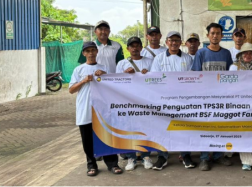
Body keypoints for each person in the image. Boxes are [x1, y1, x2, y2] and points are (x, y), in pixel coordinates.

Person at [70, 41, 122, 176]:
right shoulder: (79, 70)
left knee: (106, 137)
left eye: (93, 50)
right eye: (88, 51)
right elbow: (71, 90)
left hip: (102, 109)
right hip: (85, 108)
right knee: (87, 139)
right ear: (84, 53)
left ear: (97, 52)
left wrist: (105, 75)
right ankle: (91, 165)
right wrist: (83, 81)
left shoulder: (104, 68)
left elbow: (113, 86)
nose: (91, 53)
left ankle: (112, 164)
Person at [146, 31, 194, 170]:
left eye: (177, 40)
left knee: (184, 128)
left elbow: (191, 80)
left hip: (183, 100)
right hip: (164, 99)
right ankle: (162, 156)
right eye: (171, 40)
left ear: (181, 42)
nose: (174, 43)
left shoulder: (188, 59)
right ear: (166, 42)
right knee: (163, 128)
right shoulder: (159, 59)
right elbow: (155, 79)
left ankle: (185, 155)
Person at [190, 24, 234, 171]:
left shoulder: (227, 54)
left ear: (222, 36)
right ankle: (204, 158)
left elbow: (230, 76)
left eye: (218, 33)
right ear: (208, 35)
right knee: (205, 128)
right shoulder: (201, 53)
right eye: (212, 33)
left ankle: (218, 155)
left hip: (221, 98)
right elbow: (196, 76)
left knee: (220, 127)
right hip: (205, 98)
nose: (215, 36)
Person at [115, 36, 153, 171]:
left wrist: (148, 74)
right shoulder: (122, 64)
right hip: (128, 102)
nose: (135, 48)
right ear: (128, 48)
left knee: (145, 129)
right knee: (130, 129)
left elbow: (156, 79)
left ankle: (146, 157)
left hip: (145, 101)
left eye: (137, 46)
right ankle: (131, 158)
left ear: (141, 48)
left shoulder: (150, 61)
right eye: (132, 46)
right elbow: (116, 83)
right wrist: (125, 74)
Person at [228, 43, 252, 170]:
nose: (248, 55)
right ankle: (246, 160)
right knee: (243, 131)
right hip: (240, 104)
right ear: (240, 55)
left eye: (250, 53)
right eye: (245, 53)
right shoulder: (234, 68)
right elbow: (229, 87)